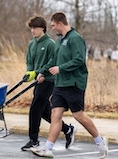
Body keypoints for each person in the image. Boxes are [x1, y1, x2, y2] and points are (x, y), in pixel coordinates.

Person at [31, 12, 108, 158]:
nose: (52, 29)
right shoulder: (59, 40)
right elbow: (54, 60)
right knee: (55, 114)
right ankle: (48, 148)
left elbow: (79, 60)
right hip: (60, 84)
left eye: (53, 25)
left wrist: (61, 68)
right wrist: (42, 72)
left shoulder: (75, 38)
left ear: (60, 23)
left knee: (78, 115)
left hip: (74, 83)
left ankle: (100, 140)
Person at [21, 14, 77, 151]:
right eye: (31, 28)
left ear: (43, 29)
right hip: (38, 80)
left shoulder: (50, 44)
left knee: (35, 108)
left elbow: (53, 62)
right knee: (44, 111)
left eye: (35, 28)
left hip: (49, 81)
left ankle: (33, 140)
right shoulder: (31, 43)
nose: (32, 31)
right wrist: (30, 72)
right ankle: (67, 129)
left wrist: (42, 73)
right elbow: (29, 61)